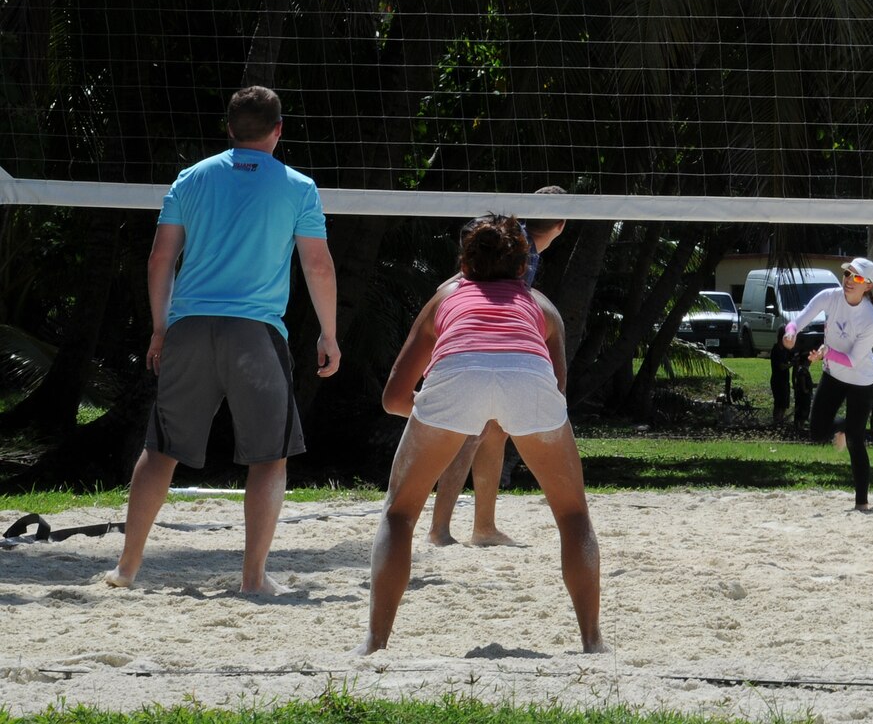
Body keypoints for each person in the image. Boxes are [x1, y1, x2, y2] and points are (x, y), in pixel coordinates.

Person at [105, 86, 339, 594]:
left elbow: (160, 259)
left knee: (160, 448)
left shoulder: (191, 178)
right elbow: (317, 264)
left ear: (229, 129)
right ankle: (253, 579)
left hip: (189, 329)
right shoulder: (299, 186)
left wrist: (162, 327)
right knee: (269, 456)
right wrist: (329, 333)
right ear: (279, 130)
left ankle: (125, 569)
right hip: (255, 333)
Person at [365, 214, 603, 654]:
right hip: (529, 382)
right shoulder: (543, 307)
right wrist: (502, 411)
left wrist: (442, 419)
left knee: (399, 516)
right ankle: (592, 643)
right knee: (573, 517)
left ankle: (375, 646)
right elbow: (555, 395)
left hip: (455, 378)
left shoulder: (444, 299)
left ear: (465, 262)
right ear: (523, 265)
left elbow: (394, 397)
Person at [429, 188, 568, 546]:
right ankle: (439, 529)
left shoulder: (509, 237)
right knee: (471, 432)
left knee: (493, 430)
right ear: (562, 224)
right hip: (471, 342)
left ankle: (484, 528)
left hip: (463, 337)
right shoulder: (522, 250)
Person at [785, 258, 873, 509]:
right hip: (833, 374)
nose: (850, 280)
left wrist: (825, 353)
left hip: (861, 379)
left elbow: (852, 360)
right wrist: (791, 332)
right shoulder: (830, 296)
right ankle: (844, 428)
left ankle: (861, 503)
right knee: (817, 432)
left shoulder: (871, 321)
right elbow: (799, 319)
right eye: (848, 274)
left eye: (858, 278)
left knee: (855, 440)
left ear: (868, 286)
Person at [770, 335, 793, 430]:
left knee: (784, 403)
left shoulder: (784, 350)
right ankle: (776, 421)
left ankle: (780, 420)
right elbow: (781, 366)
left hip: (784, 380)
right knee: (779, 403)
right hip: (777, 380)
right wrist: (791, 364)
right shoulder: (776, 350)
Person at [790, 349, 814, 430]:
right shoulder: (802, 370)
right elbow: (802, 379)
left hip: (805, 393)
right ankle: (800, 425)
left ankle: (801, 425)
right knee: (803, 409)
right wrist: (804, 389)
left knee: (804, 408)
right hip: (803, 394)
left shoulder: (804, 369)